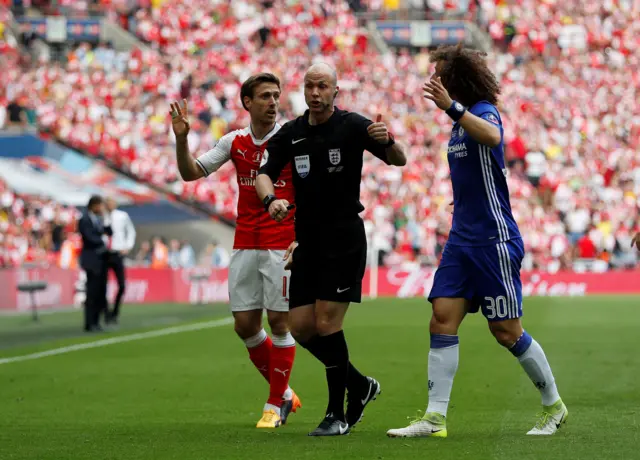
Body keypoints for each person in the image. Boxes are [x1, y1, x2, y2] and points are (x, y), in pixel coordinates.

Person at [386, 44, 568, 438]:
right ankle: (435, 419)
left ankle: (553, 405)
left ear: (456, 80)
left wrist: (453, 107)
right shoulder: (457, 125)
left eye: (440, 74)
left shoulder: (481, 111)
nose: (434, 81)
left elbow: (492, 135)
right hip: (461, 240)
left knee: (506, 331)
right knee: (441, 318)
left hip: (493, 240)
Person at [256, 62, 407, 436]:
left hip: (344, 239)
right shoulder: (292, 133)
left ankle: (336, 414)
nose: (315, 93)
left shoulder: (354, 125)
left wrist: (387, 139)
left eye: (323, 86)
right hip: (307, 240)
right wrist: (270, 200)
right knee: (302, 328)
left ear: (335, 90)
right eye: (310, 86)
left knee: (326, 323)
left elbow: (399, 159)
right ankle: (360, 385)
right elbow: (264, 173)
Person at [170, 73, 301, 429]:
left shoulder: (291, 139)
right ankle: (286, 392)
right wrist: (181, 140)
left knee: (279, 321)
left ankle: (274, 405)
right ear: (247, 102)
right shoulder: (234, 142)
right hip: (245, 241)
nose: (273, 102)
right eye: (265, 96)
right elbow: (190, 173)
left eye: (276, 96)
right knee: (245, 325)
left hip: (282, 242)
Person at [78, 195, 112, 332]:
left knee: (100, 292)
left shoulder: (100, 219)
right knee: (92, 292)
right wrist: (102, 239)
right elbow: (89, 238)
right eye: (100, 205)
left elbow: (110, 232)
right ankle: (89, 322)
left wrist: (106, 220)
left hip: (102, 259)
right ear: (93, 205)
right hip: (91, 260)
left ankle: (97, 321)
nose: (101, 208)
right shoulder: (84, 220)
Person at [104, 197, 136, 324]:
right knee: (102, 286)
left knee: (121, 285)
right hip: (104, 254)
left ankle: (115, 312)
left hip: (117, 253)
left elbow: (131, 232)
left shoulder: (122, 216)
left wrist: (127, 246)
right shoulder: (102, 216)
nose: (110, 203)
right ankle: (106, 313)